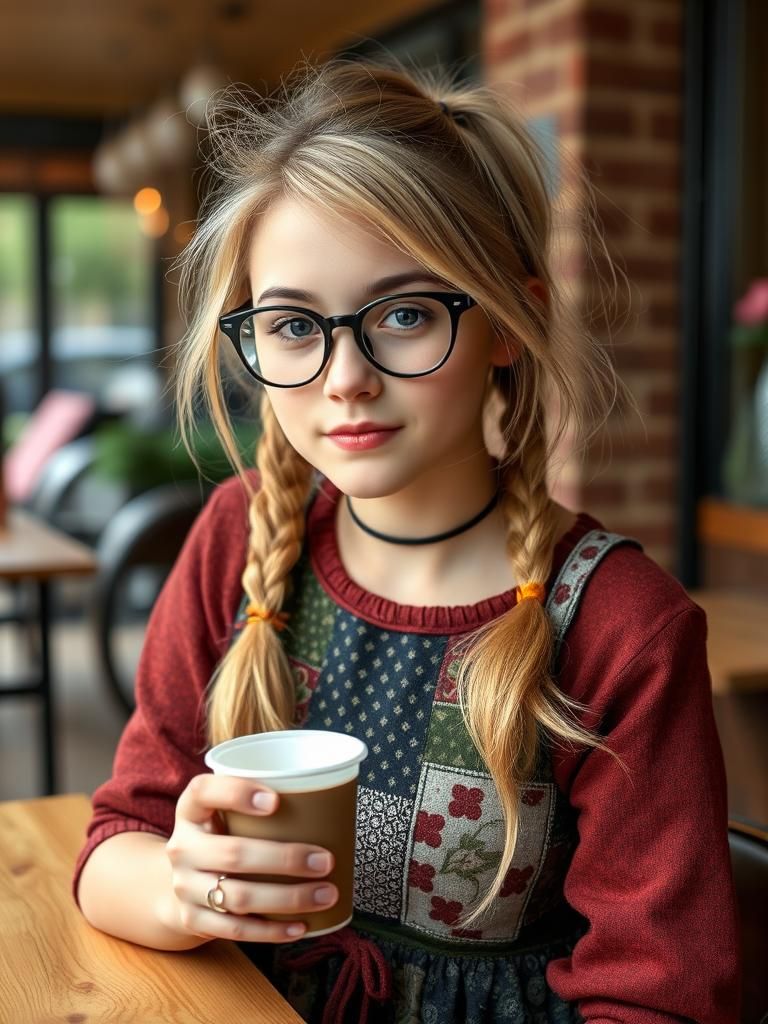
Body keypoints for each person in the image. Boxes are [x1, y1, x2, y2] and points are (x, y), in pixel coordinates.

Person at [74, 59, 739, 1023]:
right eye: (296, 325)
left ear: (510, 325)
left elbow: (660, 996)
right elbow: (116, 839)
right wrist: (186, 888)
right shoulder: (238, 541)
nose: (343, 377)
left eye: (405, 314)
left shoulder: (619, 628)